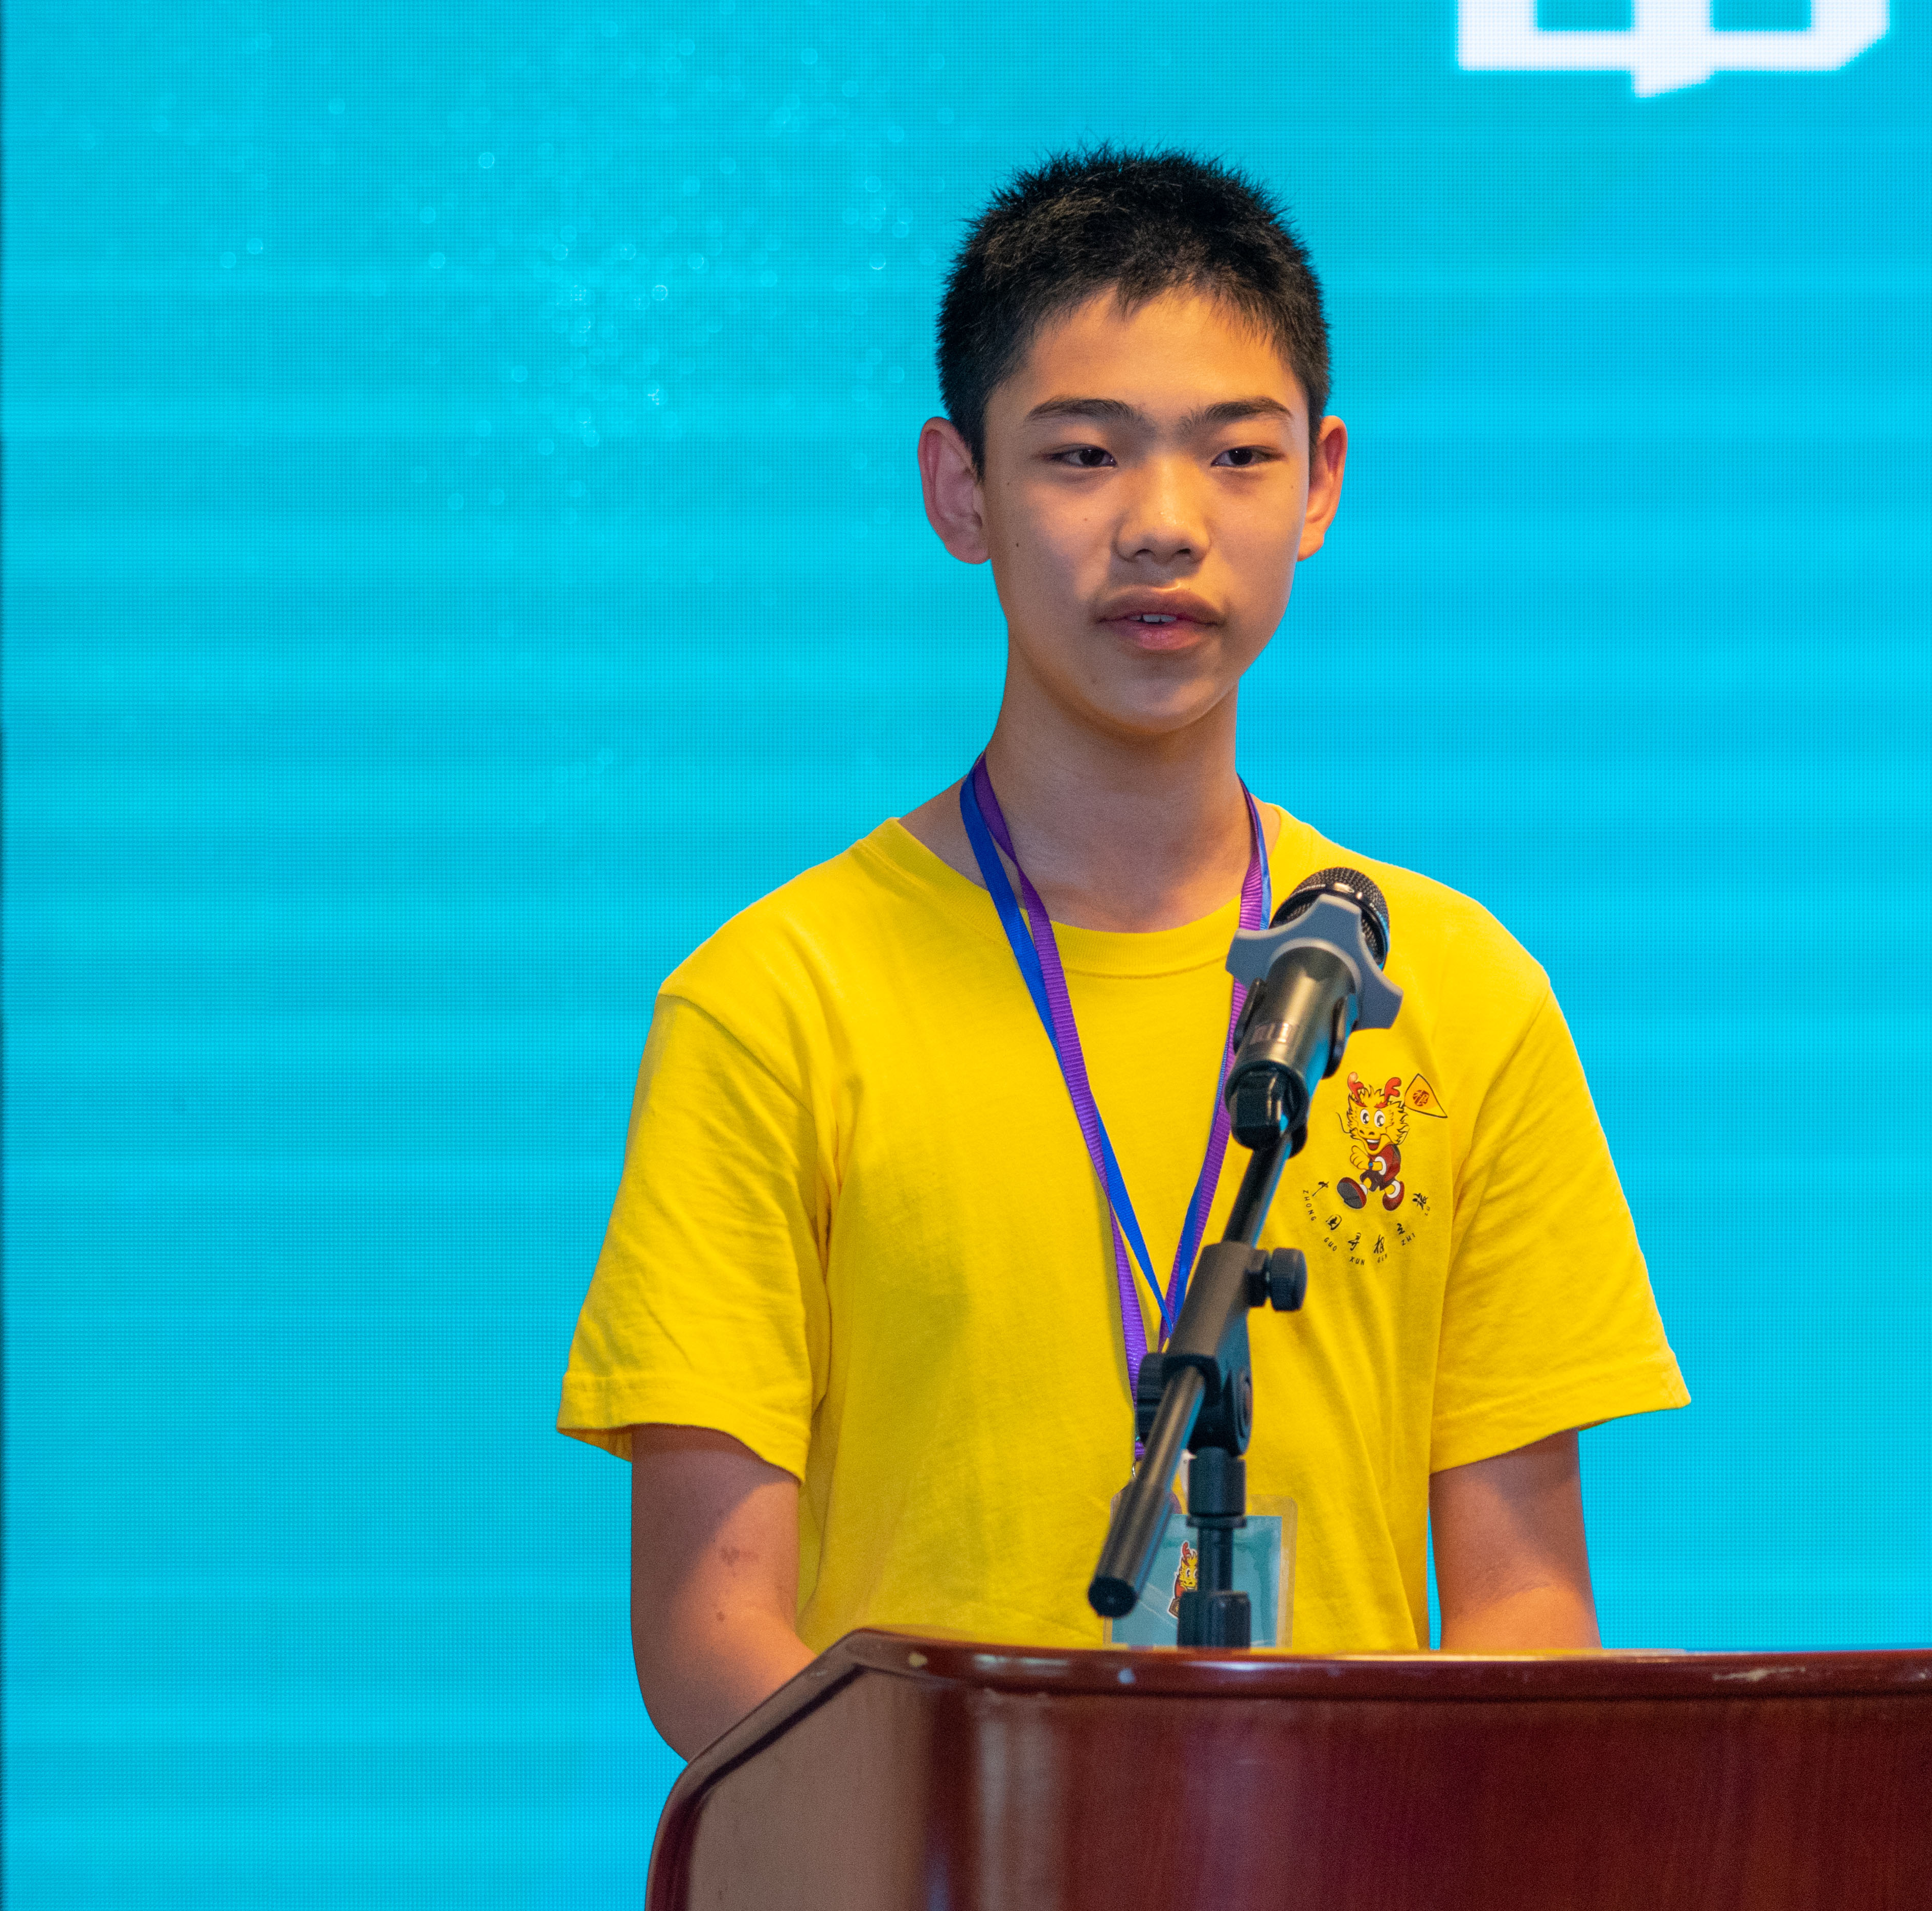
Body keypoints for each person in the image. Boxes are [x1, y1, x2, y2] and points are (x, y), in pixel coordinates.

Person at [558, 147, 1688, 1758]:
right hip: (943, 1859)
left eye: (1237, 454)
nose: (1164, 525)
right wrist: (1017, 1832)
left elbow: (1526, 1611)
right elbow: (709, 1630)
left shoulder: (1454, 989)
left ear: (1321, 483)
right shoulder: (776, 1000)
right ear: (961, 489)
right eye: (1084, 455)